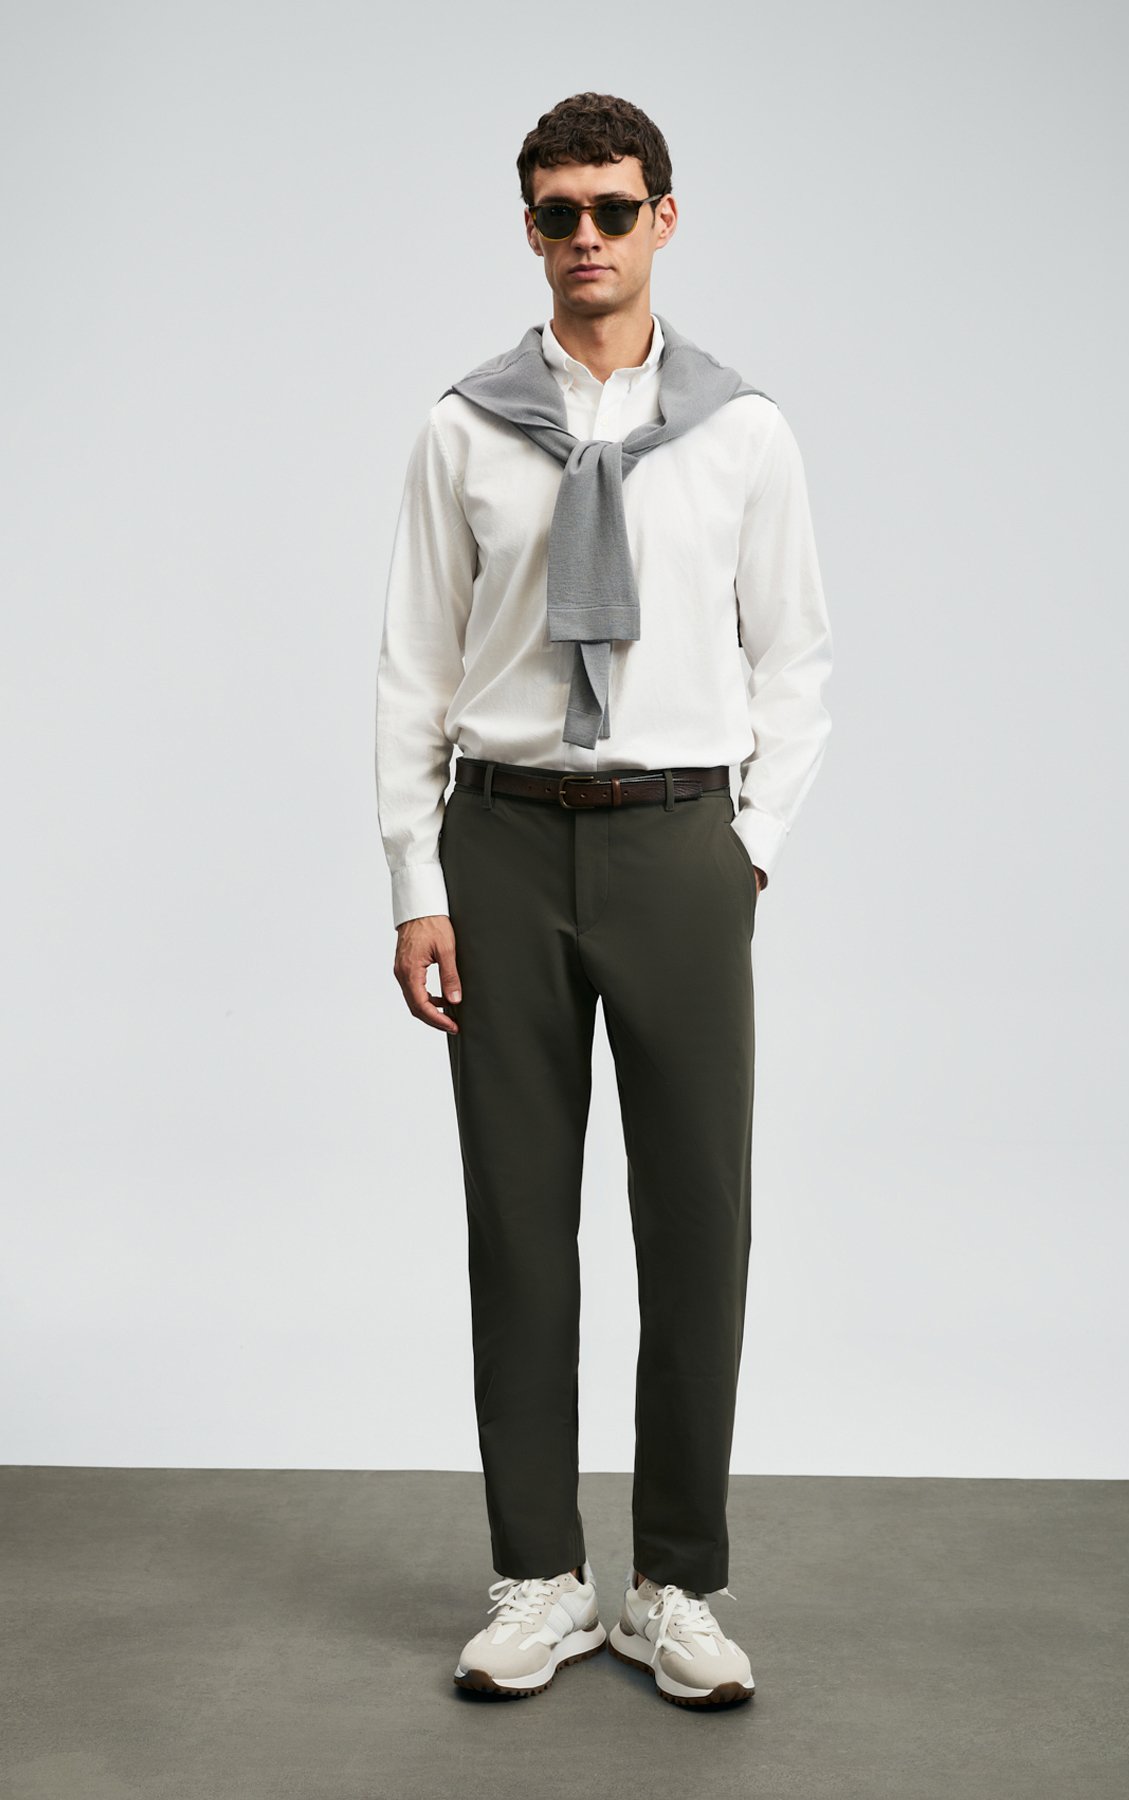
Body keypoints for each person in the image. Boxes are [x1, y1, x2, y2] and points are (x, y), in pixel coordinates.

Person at [374, 91, 833, 1708]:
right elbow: (413, 666)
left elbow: (798, 658)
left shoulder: (741, 432)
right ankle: (539, 1578)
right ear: (530, 229)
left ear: (664, 220)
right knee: (517, 1221)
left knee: (699, 1219)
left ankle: (677, 1587)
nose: (587, 237)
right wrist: (416, 881)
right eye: (559, 212)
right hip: (501, 843)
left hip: (680, 843)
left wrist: (748, 846)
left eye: (614, 209)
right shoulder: (464, 429)